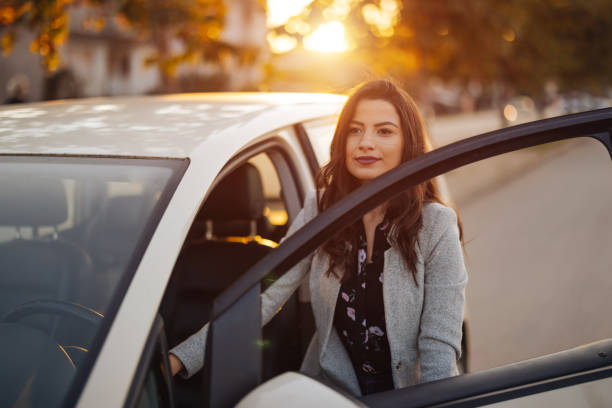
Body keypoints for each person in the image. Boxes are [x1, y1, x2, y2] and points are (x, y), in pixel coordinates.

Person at [168, 79, 467, 396]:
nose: (365, 142)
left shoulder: (436, 224)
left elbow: (439, 341)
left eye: (384, 131)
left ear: (409, 144)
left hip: (409, 397)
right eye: (355, 130)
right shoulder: (320, 209)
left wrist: (431, 402)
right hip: (330, 395)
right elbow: (265, 296)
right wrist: (178, 359)